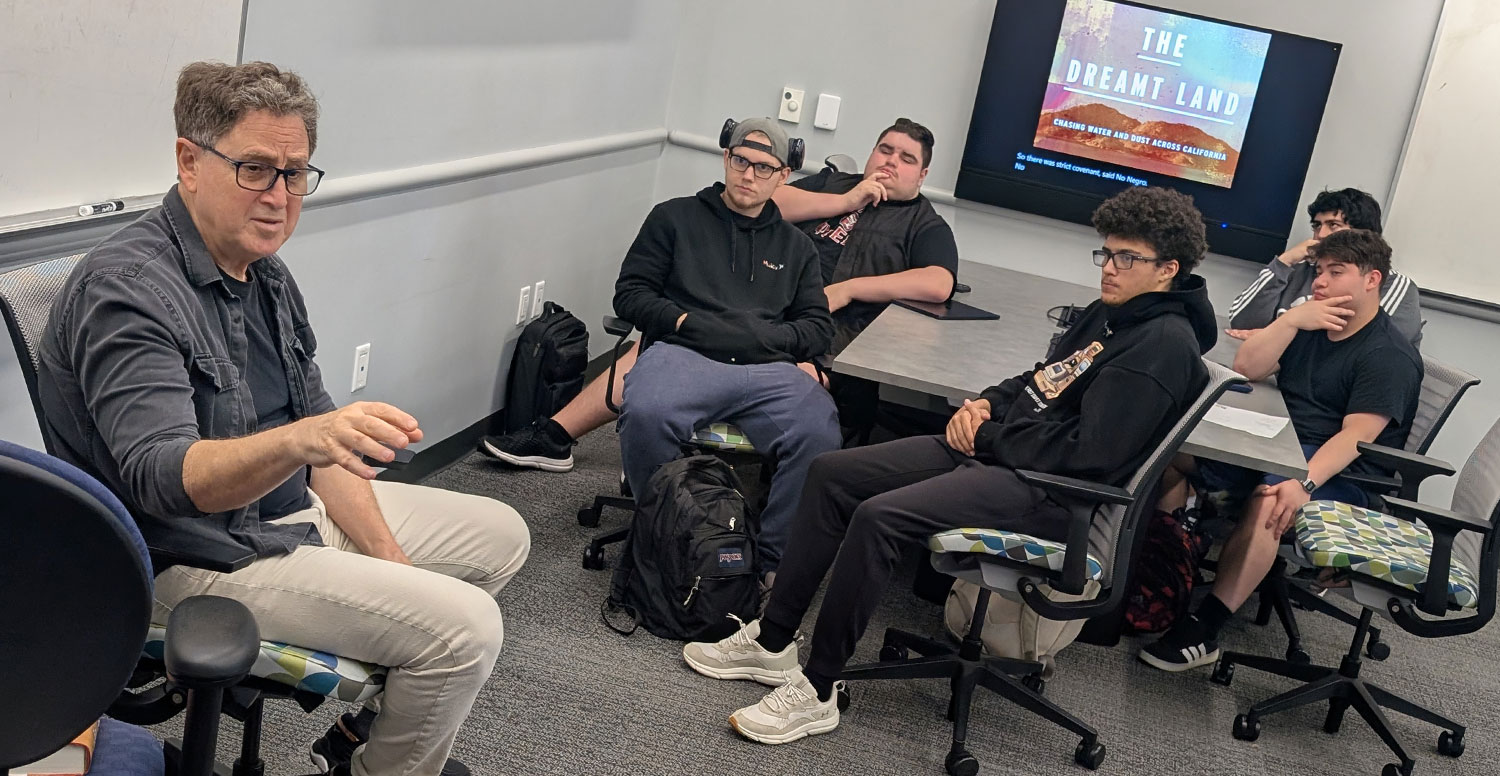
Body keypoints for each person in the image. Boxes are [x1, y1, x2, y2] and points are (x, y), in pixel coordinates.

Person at [35, 62, 530, 776]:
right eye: (256, 169)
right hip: (190, 558)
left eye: (295, 174)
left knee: (502, 537)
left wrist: (391, 564)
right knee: (465, 630)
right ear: (189, 162)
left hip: (281, 517)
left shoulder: (264, 271)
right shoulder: (130, 289)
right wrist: (300, 441)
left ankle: (357, 740)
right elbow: (162, 479)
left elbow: (320, 436)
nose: (279, 197)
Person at [680, 186, 1217, 744]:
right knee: (832, 474)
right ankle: (772, 642)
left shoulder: (1160, 348)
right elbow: (1040, 379)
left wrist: (988, 434)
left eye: (1126, 259)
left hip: (1053, 493)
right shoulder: (1113, 316)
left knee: (878, 517)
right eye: (1106, 254)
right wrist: (984, 403)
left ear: (1167, 270)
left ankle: (818, 689)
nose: (1109, 268)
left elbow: (1089, 457)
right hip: (1006, 454)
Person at [477, 118, 958, 470]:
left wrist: (850, 289)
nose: (891, 163)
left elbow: (939, 282)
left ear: (922, 175)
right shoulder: (835, 185)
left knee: (781, 391)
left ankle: (564, 437)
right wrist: (846, 200)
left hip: (812, 333)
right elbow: (770, 194)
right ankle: (560, 438)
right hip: (751, 303)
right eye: (885, 150)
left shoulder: (921, 221)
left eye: (906, 159)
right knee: (664, 341)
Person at [1140, 228, 1421, 673]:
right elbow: (1246, 366)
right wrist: (1289, 321)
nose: (1321, 282)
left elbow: (1356, 437)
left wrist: (1304, 482)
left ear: (1372, 280)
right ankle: (1171, 566)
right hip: (1277, 445)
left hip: (1341, 476)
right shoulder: (1314, 320)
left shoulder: (1388, 356)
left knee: (1271, 498)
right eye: (1318, 272)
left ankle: (1205, 627)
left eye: (1336, 272)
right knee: (1172, 455)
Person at [610, 116, 839, 577]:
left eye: (763, 167)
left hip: (767, 370)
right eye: (740, 161)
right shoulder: (674, 217)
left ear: (783, 176)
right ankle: (665, 538)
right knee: (648, 413)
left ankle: (771, 565)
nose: (748, 175)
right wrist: (683, 321)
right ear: (726, 159)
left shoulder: (798, 248)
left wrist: (771, 340)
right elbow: (630, 294)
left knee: (820, 435)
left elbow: (817, 326)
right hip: (685, 354)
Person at [1227, 187, 1422, 347]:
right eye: (1317, 226)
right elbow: (1241, 323)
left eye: (1333, 225)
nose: (1320, 235)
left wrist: (1272, 337)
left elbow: (1360, 344)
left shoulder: (1392, 284)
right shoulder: (1298, 268)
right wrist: (1284, 261)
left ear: (1363, 234)